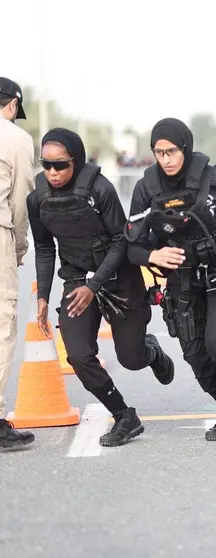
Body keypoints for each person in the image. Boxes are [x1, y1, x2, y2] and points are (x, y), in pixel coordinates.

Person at [27, 129, 176, 446]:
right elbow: (44, 249)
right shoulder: (37, 198)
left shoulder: (100, 189)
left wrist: (95, 285)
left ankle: (151, 353)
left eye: (60, 165)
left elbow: (122, 240)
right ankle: (124, 416)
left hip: (118, 278)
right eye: (46, 165)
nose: (53, 172)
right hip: (78, 279)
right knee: (79, 355)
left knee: (131, 359)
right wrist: (42, 296)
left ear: (76, 161)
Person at [126, 118, 216, 441]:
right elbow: (131, 244)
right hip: (183, 281)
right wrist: (151, 256)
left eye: (172, 151)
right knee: (196, 355)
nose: (166, 159)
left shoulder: (215, 177)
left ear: (185, 149)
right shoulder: (147, 188)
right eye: (159, 152)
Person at [0, 77, 35, 449]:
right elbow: (23, 200)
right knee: (1, 327)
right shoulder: (14, 138)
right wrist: (19, 248)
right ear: (12, 105)